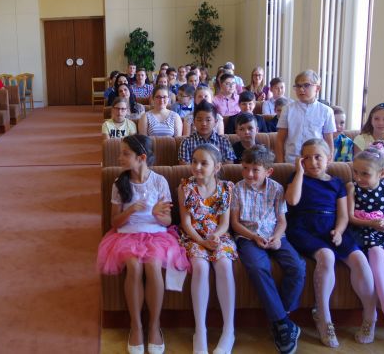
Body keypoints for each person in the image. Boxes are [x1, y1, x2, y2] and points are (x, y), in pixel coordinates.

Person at [97, 135, 189, 354]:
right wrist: (131, 210)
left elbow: (167, 221)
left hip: (156, 234)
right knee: (134, 266)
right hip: (127, 234)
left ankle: (154, 325)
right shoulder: (120, 183)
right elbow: (115, 222)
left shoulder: (159, 181)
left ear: (142, 157)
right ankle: (136, 325)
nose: (119, 157)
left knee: (153, 265)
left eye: (125, 154)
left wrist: (157, 214)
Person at [285, 139, 376, 347]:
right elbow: (292, 201)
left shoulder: (337, 183)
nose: (313, 162)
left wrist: (340, 231)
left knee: (359, 259)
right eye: (307, 158)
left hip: (332, 228)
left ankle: (370, 316)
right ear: (301, 160)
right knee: (326, 256)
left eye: (318, 157)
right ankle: (323, 317)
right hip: (304, 228)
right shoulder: (296, 177)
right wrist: (299, 172)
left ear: (329, 158)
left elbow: (343, 215)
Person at [230, 146, 305, 354]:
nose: (249, 174)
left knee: (297, 267)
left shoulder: (277, 189)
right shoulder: (237, 189)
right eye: (245, 168)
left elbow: (282, 221)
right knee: (257, 267)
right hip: (248, 236)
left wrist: (278, 237)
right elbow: (235, 223)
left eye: (255, 170)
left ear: (268, 172)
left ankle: (282, 316)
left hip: (275, 235)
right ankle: (283, 324)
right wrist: (254, 236)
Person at [178, 144, 237, 354]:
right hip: (194, 236)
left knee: (224, 264)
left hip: (218, 235)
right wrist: (202, 242)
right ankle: (200, 330)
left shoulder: (226, 188)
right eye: (194, 161)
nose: (197, 167)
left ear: (217, 167)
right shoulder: (185, 187)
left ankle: (228, 329)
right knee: (200, 267)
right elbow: (186, 223)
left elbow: (225, 223)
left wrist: (215, 236)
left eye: (204, 163)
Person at [347, 144, 384, 331]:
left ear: (382, 173)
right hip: (363, 230)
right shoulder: (352, 187)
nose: (358, 177)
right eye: (355, 172)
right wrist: (371, 223)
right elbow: (351, 218)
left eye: (365, 174)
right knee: (377, 252)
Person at [275, 70, 335, 163]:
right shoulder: (287, 109)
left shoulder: (326, 111)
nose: (301, 89)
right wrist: (281, 164)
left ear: (317, 88)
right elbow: (280, 140)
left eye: (306, 85)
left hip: (316, 162)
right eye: (298, 86)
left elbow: (329, 141)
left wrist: (328, 162)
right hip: (292, 161)